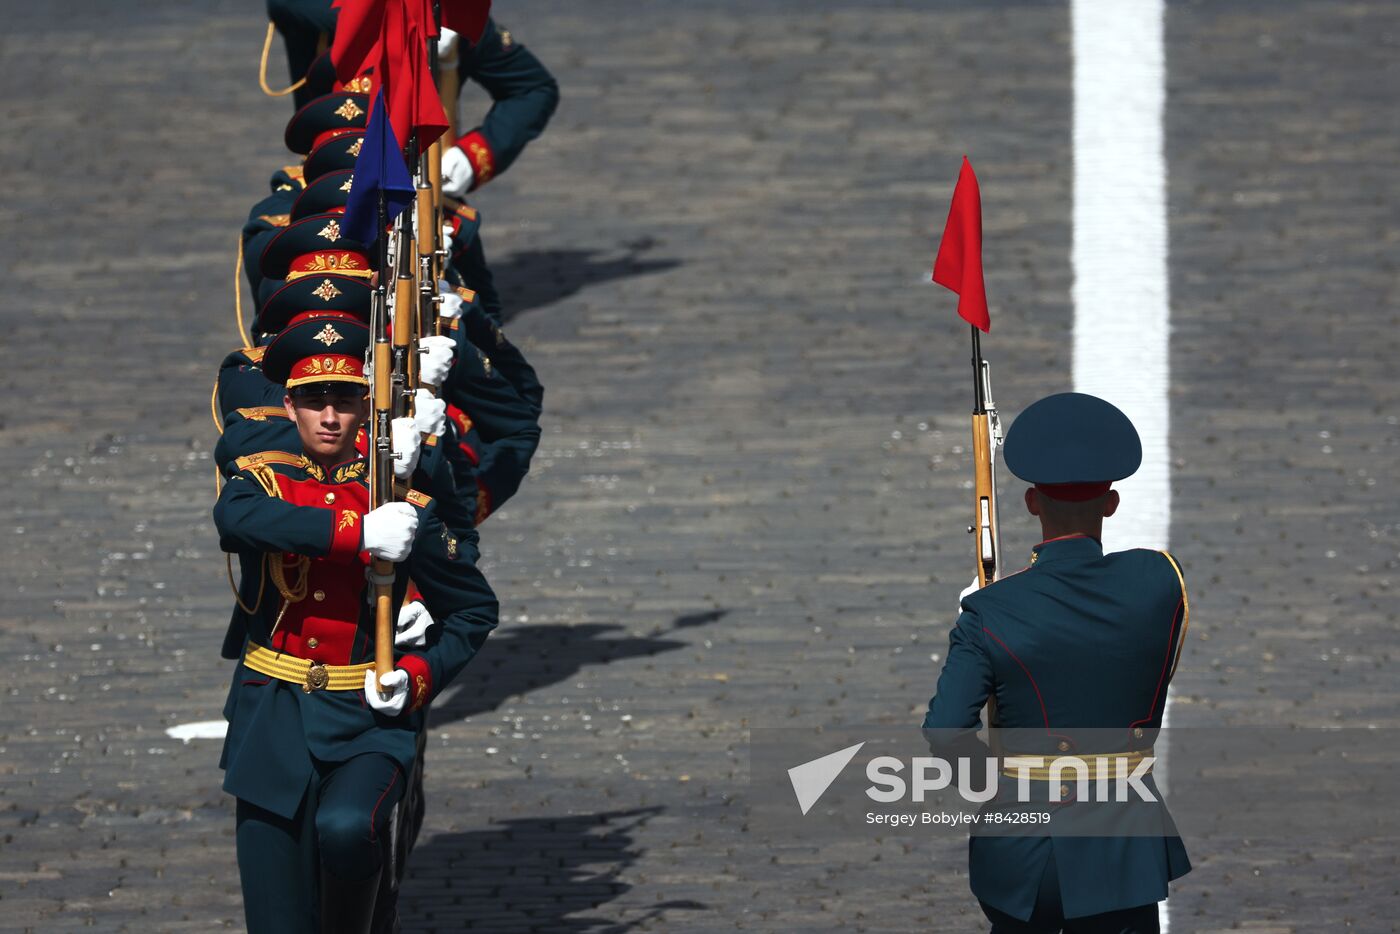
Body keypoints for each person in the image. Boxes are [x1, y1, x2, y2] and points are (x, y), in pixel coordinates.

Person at [214, 310, 499, 933]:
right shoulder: (266, 480)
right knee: (276, 917)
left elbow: (475, 609)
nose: (331, 416)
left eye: (345, 400)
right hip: (274, 715)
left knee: (348, 830)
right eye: (314, 401)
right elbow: (235, 522)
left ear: (364, 406)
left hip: (365, 717)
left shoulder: (400, 497)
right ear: (290, 409)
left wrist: (418, 675)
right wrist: (355, 532)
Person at [923, 392, 1190, 934]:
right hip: (1123, 846)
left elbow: (945, 730)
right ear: (1111, 503)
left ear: (1030, 502)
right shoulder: (1160, 581)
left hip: (1025, 853)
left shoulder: (990, 611)